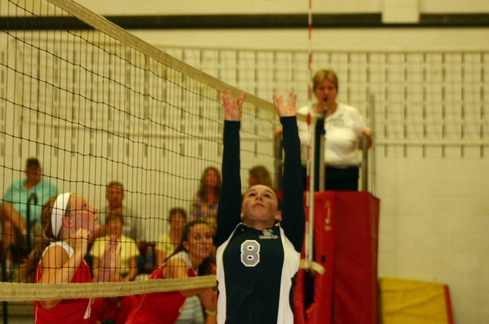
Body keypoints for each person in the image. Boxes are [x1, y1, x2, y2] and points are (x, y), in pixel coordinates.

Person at [216, 90, 305, 324]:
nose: (259, 197)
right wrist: (232, 125)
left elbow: (294, 180)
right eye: (252, 194)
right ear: (240, 210)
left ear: (278, 213)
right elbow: (231, 179)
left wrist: (288, 123)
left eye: (267, 195)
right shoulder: (229, 233)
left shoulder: (288, 237)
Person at [26, 192, 119, 323]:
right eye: (85, 206)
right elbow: (47, 300)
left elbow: (83, 299)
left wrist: (104, 274)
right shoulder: (57, 250)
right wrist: (79, 253)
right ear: (68, 221)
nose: (95, 208)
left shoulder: (75, 257)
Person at [125, 220, 217, 324]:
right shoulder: (177, 262)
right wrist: (213, 280)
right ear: (186, 245)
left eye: (208, 236)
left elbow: (212, 304)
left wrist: (223, 280)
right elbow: (185, 288)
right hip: (142, 321)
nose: (204, 241)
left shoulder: (198, 270)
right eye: (197, 237)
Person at [297, 69, 373, 190]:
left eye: (330, 88)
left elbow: (364, 144)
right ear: (314, 91)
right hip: (309, 172)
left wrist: (367, 137)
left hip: (344, 175)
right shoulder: (303, 113)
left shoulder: (350, 113)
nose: (326, 92)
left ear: (336, 91)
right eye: (321, 88)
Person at [0, 158, 58, 265]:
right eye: (31, 169)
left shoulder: (50, 188)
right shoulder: (15, 187)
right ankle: (7, 268)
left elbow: (56, 208)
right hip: (18, 233)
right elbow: (1, 208)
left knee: (8, 223)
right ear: (26, 171)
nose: (34, 172)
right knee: (7, 212)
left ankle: (28, 236)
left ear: (40, 170)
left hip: (38, 229)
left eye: (37, 169)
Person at [91, 213, 140, 282]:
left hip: (124, 278)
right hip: (103, 279)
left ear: (122, 226)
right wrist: (102, 280)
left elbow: (133, 269)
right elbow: (95, 268)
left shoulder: (130, 242)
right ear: (107, 226)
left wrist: (125, 281)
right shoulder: (98, 242)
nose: (115, 226)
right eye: (112, 223)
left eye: (118, 222)